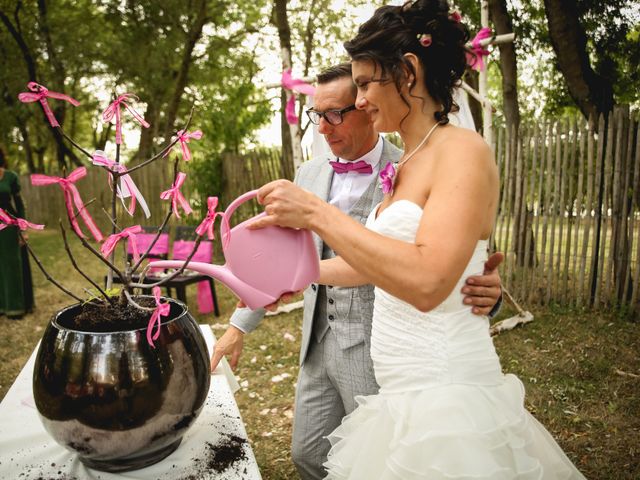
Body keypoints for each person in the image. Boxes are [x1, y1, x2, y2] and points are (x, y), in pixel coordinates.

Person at [250, 1, 586, 478]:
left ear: (408, 72)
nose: (361, 99)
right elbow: (383, 261)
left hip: (447, 399)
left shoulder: (463, 152)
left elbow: (428, 281)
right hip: (400, 393)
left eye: (366, 83)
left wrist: (318, 215)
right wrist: (303, 272)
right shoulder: (406, 163)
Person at [212, 63, 504, 478]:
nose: (324, 128)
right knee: (308, 454)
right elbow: (275, 261)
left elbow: (452, 255)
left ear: (365, 108)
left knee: (379, 463)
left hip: (376, 348)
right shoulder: (308, 175)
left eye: (336, 113)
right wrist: (239, 325)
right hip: (317, 342)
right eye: (317, 115)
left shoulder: (414, 167)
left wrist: (488, 294)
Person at [0, 147, 34, 319]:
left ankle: (16, 307)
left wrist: (23, 229)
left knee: (13, 265)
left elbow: (20, 205)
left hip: (9, 226)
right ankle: (2, 306)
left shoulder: (10, 176)